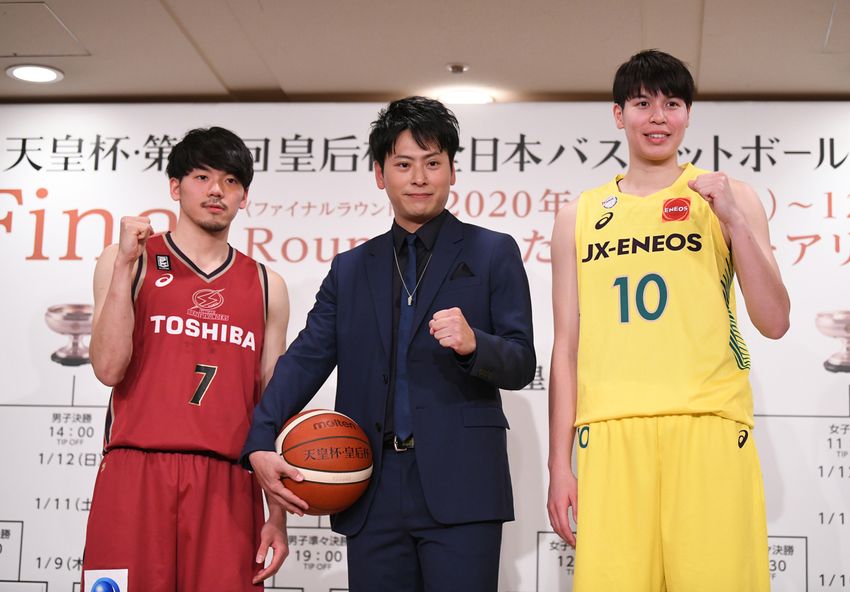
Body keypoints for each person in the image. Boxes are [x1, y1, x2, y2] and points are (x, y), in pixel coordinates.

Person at [242, 96, 536, 591]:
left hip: (462, 484)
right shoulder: (352, 269)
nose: (419, 178)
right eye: (403, 164)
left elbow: (522, 362)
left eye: (432, 163)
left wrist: (474, 345)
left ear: (452, 171)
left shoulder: (492, 251)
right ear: (380, 175)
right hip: (371, 487)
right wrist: (258, 439)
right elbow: (306, 359)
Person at [546, 50, 790, 592]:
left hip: (707, 424)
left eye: (672, 104)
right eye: (642, 103)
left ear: (688, 115)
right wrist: (558, 465)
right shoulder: (577, 216)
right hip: (610, 433)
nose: (658, 117)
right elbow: (566, 348)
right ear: (618, 114)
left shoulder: (731, 197)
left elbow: (774, 321)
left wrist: (733, 221)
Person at [81, 127, 290, 591]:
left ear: (244, 197)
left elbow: (271, 408)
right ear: (175, 187)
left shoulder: (267, 285)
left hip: (228, 481)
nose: (217, 190)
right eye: (202, 177)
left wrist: (277, 514)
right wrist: (123, 267)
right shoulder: (128, 259)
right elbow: (108, 368)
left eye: (231, 181)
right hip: (135, 471)